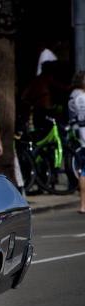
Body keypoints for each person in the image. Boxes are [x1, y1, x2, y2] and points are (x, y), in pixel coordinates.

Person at [68, 71, 85, 214]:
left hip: (79, 134)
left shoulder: (74, 95)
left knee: (83, 171)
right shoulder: (81, 97)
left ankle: (83, 204)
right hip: (83, 134)